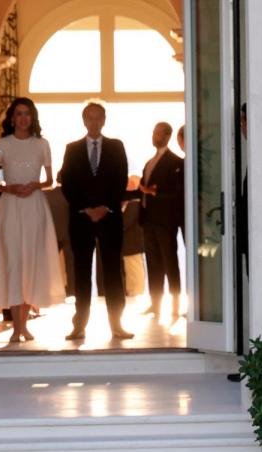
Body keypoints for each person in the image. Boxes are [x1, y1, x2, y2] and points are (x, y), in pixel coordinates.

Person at [0, 97, 64, 342]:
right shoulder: (2, 145)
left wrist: (34, 185)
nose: (23, 118)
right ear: (12, 118)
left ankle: (23, 326)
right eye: (19, 113)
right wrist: (8, 188)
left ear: (33, 117)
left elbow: (49, 180)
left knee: (31, 262)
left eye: (27, 113)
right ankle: (16, 327)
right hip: (10, 207)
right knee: (14, 262)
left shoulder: (42, 145)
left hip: (34, 207)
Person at [59, 101, 132, 340]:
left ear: (104, 120)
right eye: (89, 117)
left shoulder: (116, 146)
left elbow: (121, 179)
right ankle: (79, 324)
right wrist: (87, 209)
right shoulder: (72, 148)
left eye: (98, 117)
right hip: (81, 219)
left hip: (109, 218)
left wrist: (105, 207)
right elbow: (67, 183)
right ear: (84, 121)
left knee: (112, 271)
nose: (93, 122)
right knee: (81, 272)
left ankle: (117, 325)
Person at [138, 122, 183, 320]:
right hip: (148, 219)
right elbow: (142, 189)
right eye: (153, 132)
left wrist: (153, 193)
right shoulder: (149, 162)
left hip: (165, 221)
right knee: (153, 263)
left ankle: (175, 305)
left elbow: (176, 193)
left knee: (170, 262)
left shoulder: (175, 162)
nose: (154, 136)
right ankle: (155, 304)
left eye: (158, 133)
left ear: (167, 136)